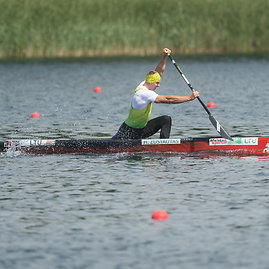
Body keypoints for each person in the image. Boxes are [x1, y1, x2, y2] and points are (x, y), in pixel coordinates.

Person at [112, 48, 199, 140]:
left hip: (142, 129)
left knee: (166, 119)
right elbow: (168, 99)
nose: (159, 85)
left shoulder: (145, 83)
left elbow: (158, 71)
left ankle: (164, 146)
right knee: (110, 145)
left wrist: (164, 56)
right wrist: (189, 98)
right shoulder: (143, 93)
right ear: (150, 82)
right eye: (157, 83)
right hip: (129, 131)